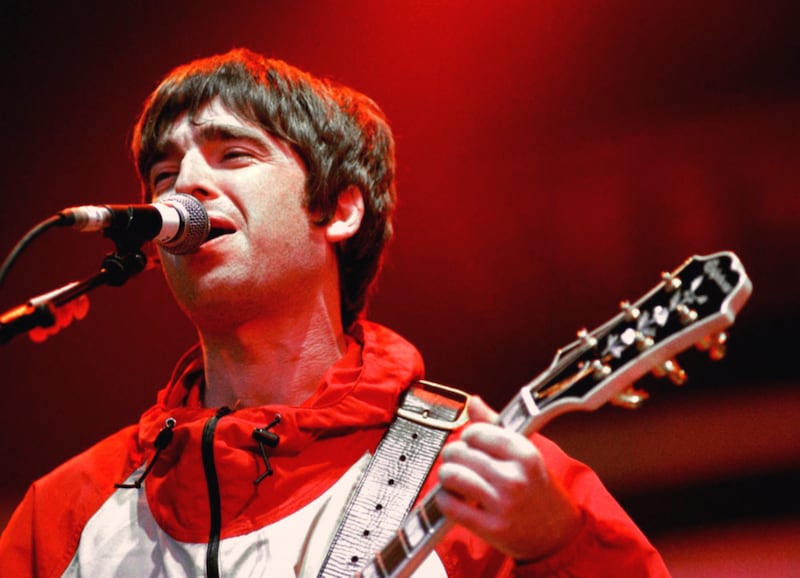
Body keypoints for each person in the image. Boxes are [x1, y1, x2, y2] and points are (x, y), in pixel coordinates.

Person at [0, 48, 669, 576]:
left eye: (234, 154)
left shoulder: (485, 476)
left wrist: (556, 547)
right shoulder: (61, 513)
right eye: (164, 175)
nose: (188, 187)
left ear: (340, 210)